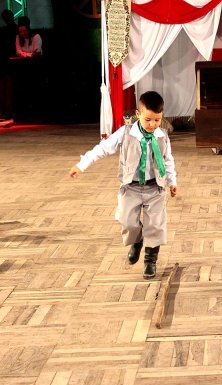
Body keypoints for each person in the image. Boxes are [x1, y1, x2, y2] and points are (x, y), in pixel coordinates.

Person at [69, 91, 178, 279]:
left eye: (157, 120)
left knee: (155, 224)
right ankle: (137, 240)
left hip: (155, 187)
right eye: (148, 120)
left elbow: (168, 160)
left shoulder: (162, 136)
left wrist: (172, 181)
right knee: (127, 221)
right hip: (131, 187)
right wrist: (81, 165)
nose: (152, 125)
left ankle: (150, 261)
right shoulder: (126, 133)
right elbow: (103, 148)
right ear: (138, 114)